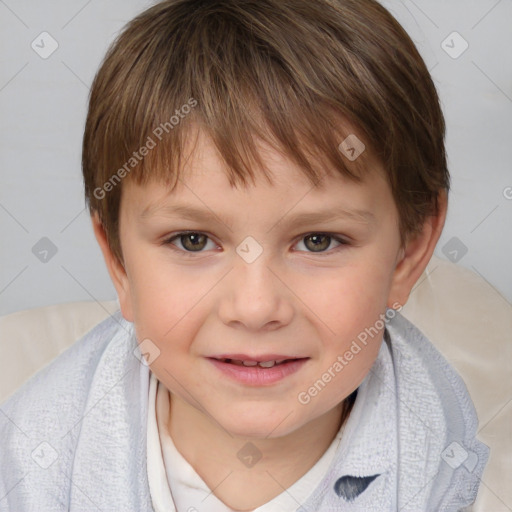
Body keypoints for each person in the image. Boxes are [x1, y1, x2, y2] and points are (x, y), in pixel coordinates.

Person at [0, 0, 489, 510]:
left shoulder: (437, 450)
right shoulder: (32, 466)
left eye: (317, 241)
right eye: (193, 240)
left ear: (409, 251)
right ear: (120, 264)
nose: (255, 308)